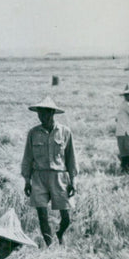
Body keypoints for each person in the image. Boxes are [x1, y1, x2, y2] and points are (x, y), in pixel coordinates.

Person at [21, 96, 77, 246]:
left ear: (52, 113)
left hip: (60, 177)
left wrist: (73, 181)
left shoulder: (65, 132)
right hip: (38, 177)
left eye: (45, 113)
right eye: (39, 114)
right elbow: (28, 157)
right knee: (42, 216)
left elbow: (71, 159)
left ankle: (60, 233)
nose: (42, 117)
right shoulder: (33, 133)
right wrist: (27, 181)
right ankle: (50, 245)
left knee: (66, 218)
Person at [115, 87, 129, 174]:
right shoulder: (127, 105)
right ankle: (127, 171)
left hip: (122, 133)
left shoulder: (123, 105)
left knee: (125, 154)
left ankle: (124, 170)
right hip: (126, 133)